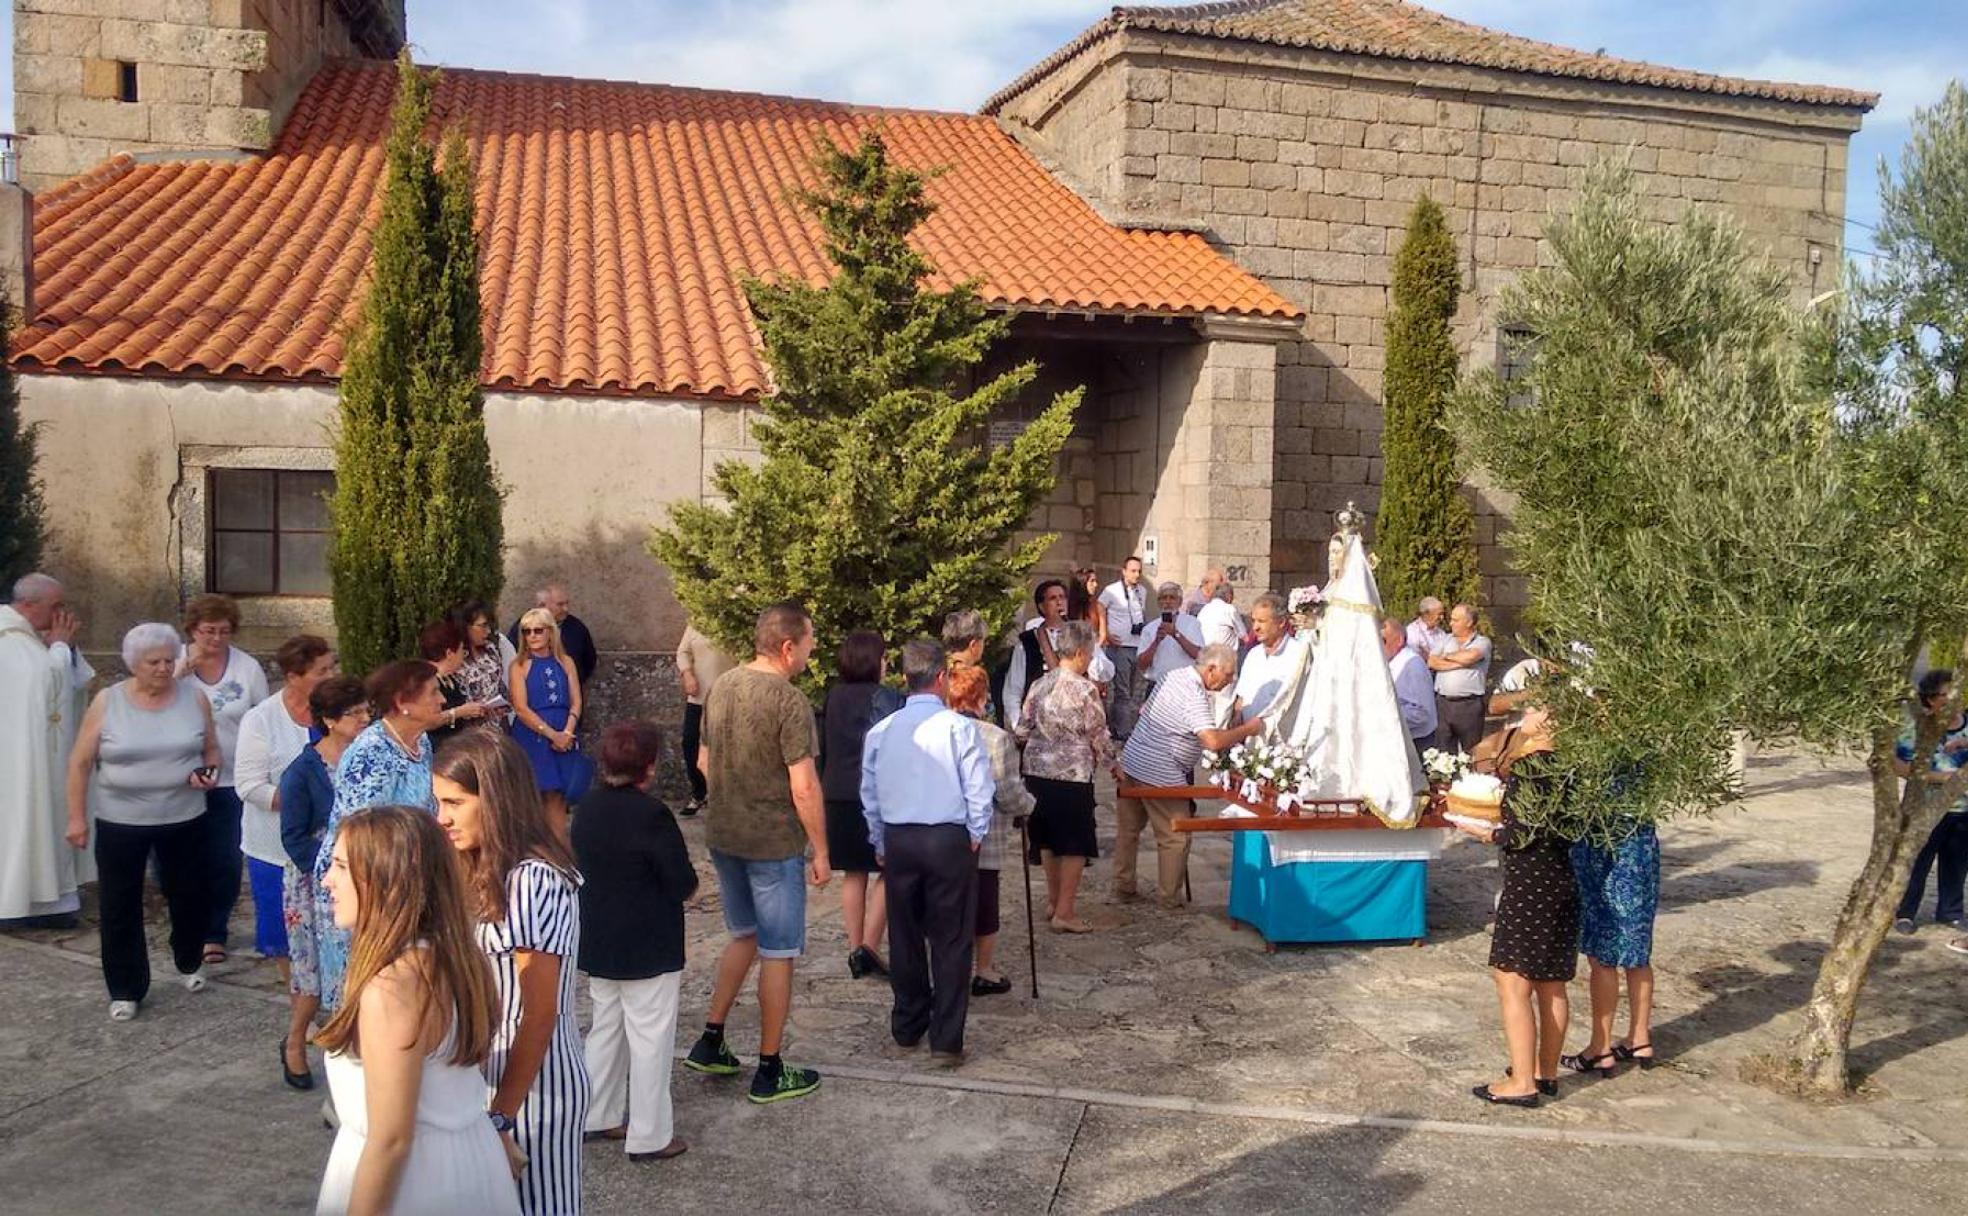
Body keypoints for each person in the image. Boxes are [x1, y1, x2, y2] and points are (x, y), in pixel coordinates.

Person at [313, 805, 519, 1216]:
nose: (326, 880)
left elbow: (391, 1139)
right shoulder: (454, 958)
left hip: (414, 1185)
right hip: (469, 1161)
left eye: (341, 866)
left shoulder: (393, 987)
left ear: (385, 879)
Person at [435, 732, 589, 1216]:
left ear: (496, 799)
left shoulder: (533, 879)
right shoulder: (480, 870)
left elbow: (539, 1014)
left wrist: (501, 1116)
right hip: (484, 1080)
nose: (442, 818)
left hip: (533, 1088)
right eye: (438, 802)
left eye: (455, 803)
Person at [684, 602, 830, 1105]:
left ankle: (711, 1038)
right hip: (772, 841)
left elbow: (703, 759)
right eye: (809, 642)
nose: (812, 650)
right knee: (779, 950)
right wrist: (821, 850)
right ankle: (770, 1068)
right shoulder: (789, 701)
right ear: (788, 647)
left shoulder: (722, 686)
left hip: (725, 835)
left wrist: (732, 797)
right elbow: (804, 786)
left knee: (742, 934)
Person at [64, 623, 221, 1021]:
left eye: (169, 660)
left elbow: (211, 751)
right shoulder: (108, 701)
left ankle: (189, 960)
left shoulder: (194, 698)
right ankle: (125, 988)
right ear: (134, 664)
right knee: (119, 903)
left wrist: (208, 774)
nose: (164, 668)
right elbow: (80, 762)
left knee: (189, 894)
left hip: (183, 815)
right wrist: (77, 818)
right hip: (120, 819)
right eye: (154, 662)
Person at [860, 640, 995, 1063]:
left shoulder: (882, 731)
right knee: (951, 938)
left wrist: (879, 840)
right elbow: (979, 787)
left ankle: (907, 1024)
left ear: (905, 678)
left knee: (905, 935)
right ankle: (946, 1039)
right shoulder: (959, 728)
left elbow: (870, 792)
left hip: (900, 836)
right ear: (942, 678)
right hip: (947, 837)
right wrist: (975, 832)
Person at [572, 722, 696, 1164]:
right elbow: (681, 880)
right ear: (649, 766)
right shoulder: (652, 815)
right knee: (650, 1039)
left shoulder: (586, 808)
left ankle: (596, 1112)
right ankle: (649, 1135)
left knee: (606, 1028)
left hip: (600, 937)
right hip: (648, 942)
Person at [1454, 704, 1576, 1107]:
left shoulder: (1532, 768)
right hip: (1563, 876)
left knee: (1512, 979)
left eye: (1537, 709)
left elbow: (1523, 833)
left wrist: (1485, 833)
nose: (1528, 714)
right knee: (1551, 981)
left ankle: (1522, 1081)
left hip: (1530, 882)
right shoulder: (1575, 768)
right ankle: (1545, 1071)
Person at [316, 660, 446, 1014]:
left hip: (405, 876)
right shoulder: (371, 751)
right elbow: (359, 833)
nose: (442, 699)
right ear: (403, 702)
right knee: (367, 987)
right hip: (363, 882)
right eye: (433, 692)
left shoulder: (421, 742)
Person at [1115, 645, 1264, 907]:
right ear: (1212, 669)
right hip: (1160, 770)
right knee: (1175, 835)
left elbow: (1148, 712)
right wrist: (1248, 729)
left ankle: (1123, 885)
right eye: (1228, 674)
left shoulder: (1174, 675)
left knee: (1129, 830)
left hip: (1134, 759)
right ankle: (1169, 897)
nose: (1230, 680)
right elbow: (1211, 741)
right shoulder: (1193, 692)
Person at [278, 675, 371, 1092]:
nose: (365, 719)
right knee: (312, 976)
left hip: (362, 873)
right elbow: (294, 837)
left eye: (367, 711)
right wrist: (334, 867)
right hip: (315, 881)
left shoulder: (366, 759)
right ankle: (295, 1040)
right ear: (330, 721)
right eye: (355, 713)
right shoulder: (302, 772)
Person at [178, 593, 271, 964]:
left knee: (225, 858)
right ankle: (186, 924)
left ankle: (214, 931)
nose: (216, 638)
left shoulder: (247, 668)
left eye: (224, 631)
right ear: (192, 630)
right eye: (208, 631)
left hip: (231, 777)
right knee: (184, 858)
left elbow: (262, 718)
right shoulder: (173, 663)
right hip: (181, 777)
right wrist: (180, 672)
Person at [235, 635, 336, 970]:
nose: (331, 676)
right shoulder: (261, 719)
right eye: (322, 671)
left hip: (332, 845)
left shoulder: (336, 712)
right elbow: (249, 786)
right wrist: (302, 803)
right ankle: (296, 994)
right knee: (284, 934)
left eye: (332, 667)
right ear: (294, 676)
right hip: (275, 848)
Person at [0, 572, 94, 926]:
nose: (61, 614)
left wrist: (63, 647)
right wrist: (59, 647)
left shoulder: (29, 638)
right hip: (18, 761)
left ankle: (50, 901)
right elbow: (46, 688)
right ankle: (16, 903)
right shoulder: (9, 640)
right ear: (29, 605)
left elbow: (76, 682)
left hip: (32, 756)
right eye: (56, 606)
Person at [818, 630, 904, 979]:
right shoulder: (888, 697)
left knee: (853, 873)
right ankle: (870, 945)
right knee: (888, 868)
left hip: (837, 792)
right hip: (875, 794)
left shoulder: (833, 696)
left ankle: (855, 948)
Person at [1014, 620, 1108, 933]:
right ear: (1080, 653)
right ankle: (1065, 912)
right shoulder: (1085, 689)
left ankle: (1054, 902)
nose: (1091, 659)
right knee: (1074, 844)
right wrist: (1114, 765)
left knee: (1048, 839)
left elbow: (1023, 727)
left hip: (1037, 772)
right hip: (1072, 775)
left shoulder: (1039, 684)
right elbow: (1098, 734)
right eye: (1090, 653)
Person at [944, 664, 1032, 997]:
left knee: (948, 902)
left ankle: (947, 966)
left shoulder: (936, 731)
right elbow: (1007, 791)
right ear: (981, 698)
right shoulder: (996, 738)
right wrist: (1028, 805)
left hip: (943, 834)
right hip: (985, 836)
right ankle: (983, 969)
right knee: (985, 902)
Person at [1567, 812, 1663, 1076]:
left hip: (1603, 847)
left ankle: (1600, 1046)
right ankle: (1639, 1038)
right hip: (1640, 847)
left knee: (1602, 955)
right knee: (1638, 950)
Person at [1895, 669, 1968, 935]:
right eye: (1943, 695)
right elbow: (1899, 766)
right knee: (1917, 862)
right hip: (1926, 808)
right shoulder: (1917, 727)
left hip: (1963, 810)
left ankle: (1951, 913)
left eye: (1954, 693)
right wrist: (1941, 778)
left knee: (1957, 864)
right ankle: (1905, 913)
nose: (1950, 699)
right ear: (1929, 699)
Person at [1002, 580, 1113, 733]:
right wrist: (1017, 724)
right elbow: (1013, 689)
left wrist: (1091, 656)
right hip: (1040, 724)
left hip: (1076, 721)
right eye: (1053, 598)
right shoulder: (1027, 643)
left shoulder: (1080, 634)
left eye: (1062, 597)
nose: (1059, 602)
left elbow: (1106, 671)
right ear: (1041, 606)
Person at [509, 608, 587, 822]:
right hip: (533, 734)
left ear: (550, 632)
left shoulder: (566, 661)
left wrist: (567, 732)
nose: (532, 636)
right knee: (534, 795)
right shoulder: (518, 665)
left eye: (538, 630)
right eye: (527, 631)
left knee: (560, 797)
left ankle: (558, 841)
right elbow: (521, 708)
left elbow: (576, 701)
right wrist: (552, 735)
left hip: (565, 731)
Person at [676, 623, 737, 817]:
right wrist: (687, 674)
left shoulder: (735, 621)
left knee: (726, 747)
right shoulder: (696, 623)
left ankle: (725, 797)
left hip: (728, 697)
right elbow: (683, 652)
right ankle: (699, 792)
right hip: (698, 697)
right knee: (690, 743)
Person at [1428, 603, 1493, 756]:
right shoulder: (1445, 640)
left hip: (1469, 706)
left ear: (1469, 622)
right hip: (1443, 704)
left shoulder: (1482, 642)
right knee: (1443, 753)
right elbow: (1432, 662)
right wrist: (1460, 663)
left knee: (1471, 751)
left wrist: (1446, 656)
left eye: (1455, 620)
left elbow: (1471, 656)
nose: (1451, 623)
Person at [1099, 557, 1151, 741]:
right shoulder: (1111, 590)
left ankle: (1120, 726)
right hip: (1119, 646)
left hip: (1137, 644)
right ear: (1124, 571)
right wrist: (1105, 632)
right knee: (1122, 691)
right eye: (1133, 571)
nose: (1136, 575)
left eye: (1139, 571)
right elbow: (1099, 606)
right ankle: (1122, 732)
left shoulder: (1142, 591)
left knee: (1132, 690)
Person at [421, 620, 494, 751]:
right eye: (461, 650)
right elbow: (427, 721)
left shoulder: (450, 678)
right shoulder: (425, 681)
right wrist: (460, 712)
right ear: (449, 653)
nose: (463, 656)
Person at [509, 584, 597, 691]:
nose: (566, 609)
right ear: (542, 606)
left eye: (567, 603)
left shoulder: (577, 628)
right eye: (560, 604)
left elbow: (589, 660)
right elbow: (512, 655)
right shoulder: (523, 628)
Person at [1231, 594, 1305, 722]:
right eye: (1253, 621)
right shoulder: (1254, 654)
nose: (1255, 627)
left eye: (1262, 621)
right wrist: (1237, 718)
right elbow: (1242, 695)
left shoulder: (1298, 654)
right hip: (1249, 730)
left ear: (1281, 622)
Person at [449, 600, 516, 725]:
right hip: (473, 728)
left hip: (500, 722)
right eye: (482, 626)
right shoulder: (456, 660)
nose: (488, 631)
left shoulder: (491, 649)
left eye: (489, 625)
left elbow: (500, 684)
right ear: (465, 627)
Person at [1381, 616, 1438, 757]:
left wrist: (1381, 716)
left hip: (1415, 743)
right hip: (1397, 738)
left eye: (1383, 641)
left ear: (1399, 640)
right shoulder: (1390, 661)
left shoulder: (1412, 666)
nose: (1378, 646)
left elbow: (1420, 713)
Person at [1137, 581, 1204, 692]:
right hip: (1158, 686)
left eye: (1172, 598)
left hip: (1185, 686)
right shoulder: (1149, 628)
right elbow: (1141, 665)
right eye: (1164, 598)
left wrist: (1176, 634)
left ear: (1180, 602)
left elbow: (1199, 655)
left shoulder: (1192, 623)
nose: (1167, 602)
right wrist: (1156, 642)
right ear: (1158, 602)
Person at [1196, 580, 1242, 649]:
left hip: (1204, 651)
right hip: (1223, 653)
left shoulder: (1204, 609)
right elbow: (1244, 636)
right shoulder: (1229, 609)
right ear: (1229, 597)